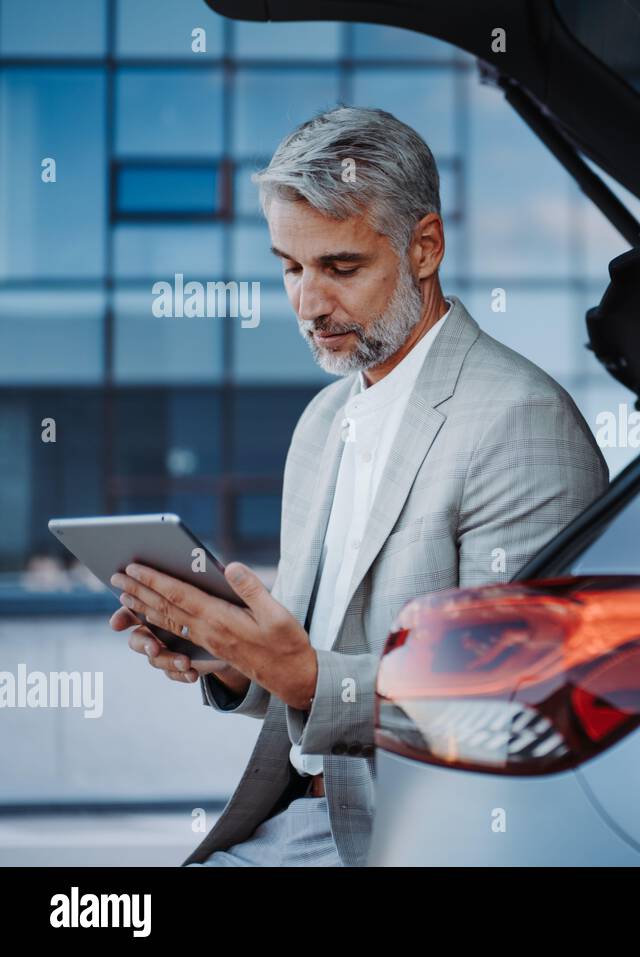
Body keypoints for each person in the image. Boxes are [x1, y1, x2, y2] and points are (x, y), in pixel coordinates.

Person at [107, 106, 608, 866]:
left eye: (340, 268)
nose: (308, 302)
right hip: (290, 824)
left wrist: (304, 674)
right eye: (290, 267)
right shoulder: (322, 422)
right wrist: (231, 657)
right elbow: (308, 681)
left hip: (408, 841)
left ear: (425, 247)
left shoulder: (521, 420)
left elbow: (512, 705)